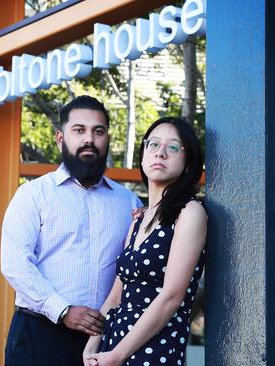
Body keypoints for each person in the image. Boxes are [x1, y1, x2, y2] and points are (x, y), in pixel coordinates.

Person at [1, 95, 143, 366]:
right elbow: (15, 265)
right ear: (60, 139)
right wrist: (63, 310)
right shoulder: (32, 195)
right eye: (79, 130)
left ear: (107, 140)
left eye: (98, 131)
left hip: (105, 340)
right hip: (39, 336)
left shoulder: (129, 203)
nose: (89, 139)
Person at [83, 117, 207, 366]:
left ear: (187, 164)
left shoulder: (191, 212)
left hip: (154, 351)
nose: (160, 152)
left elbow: (172, 296)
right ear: (143, 155)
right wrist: (92, 346)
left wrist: (118, 355)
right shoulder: (138, 219)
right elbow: (116, 296)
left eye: (172, 147)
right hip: (112, 346)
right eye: (153, 144)